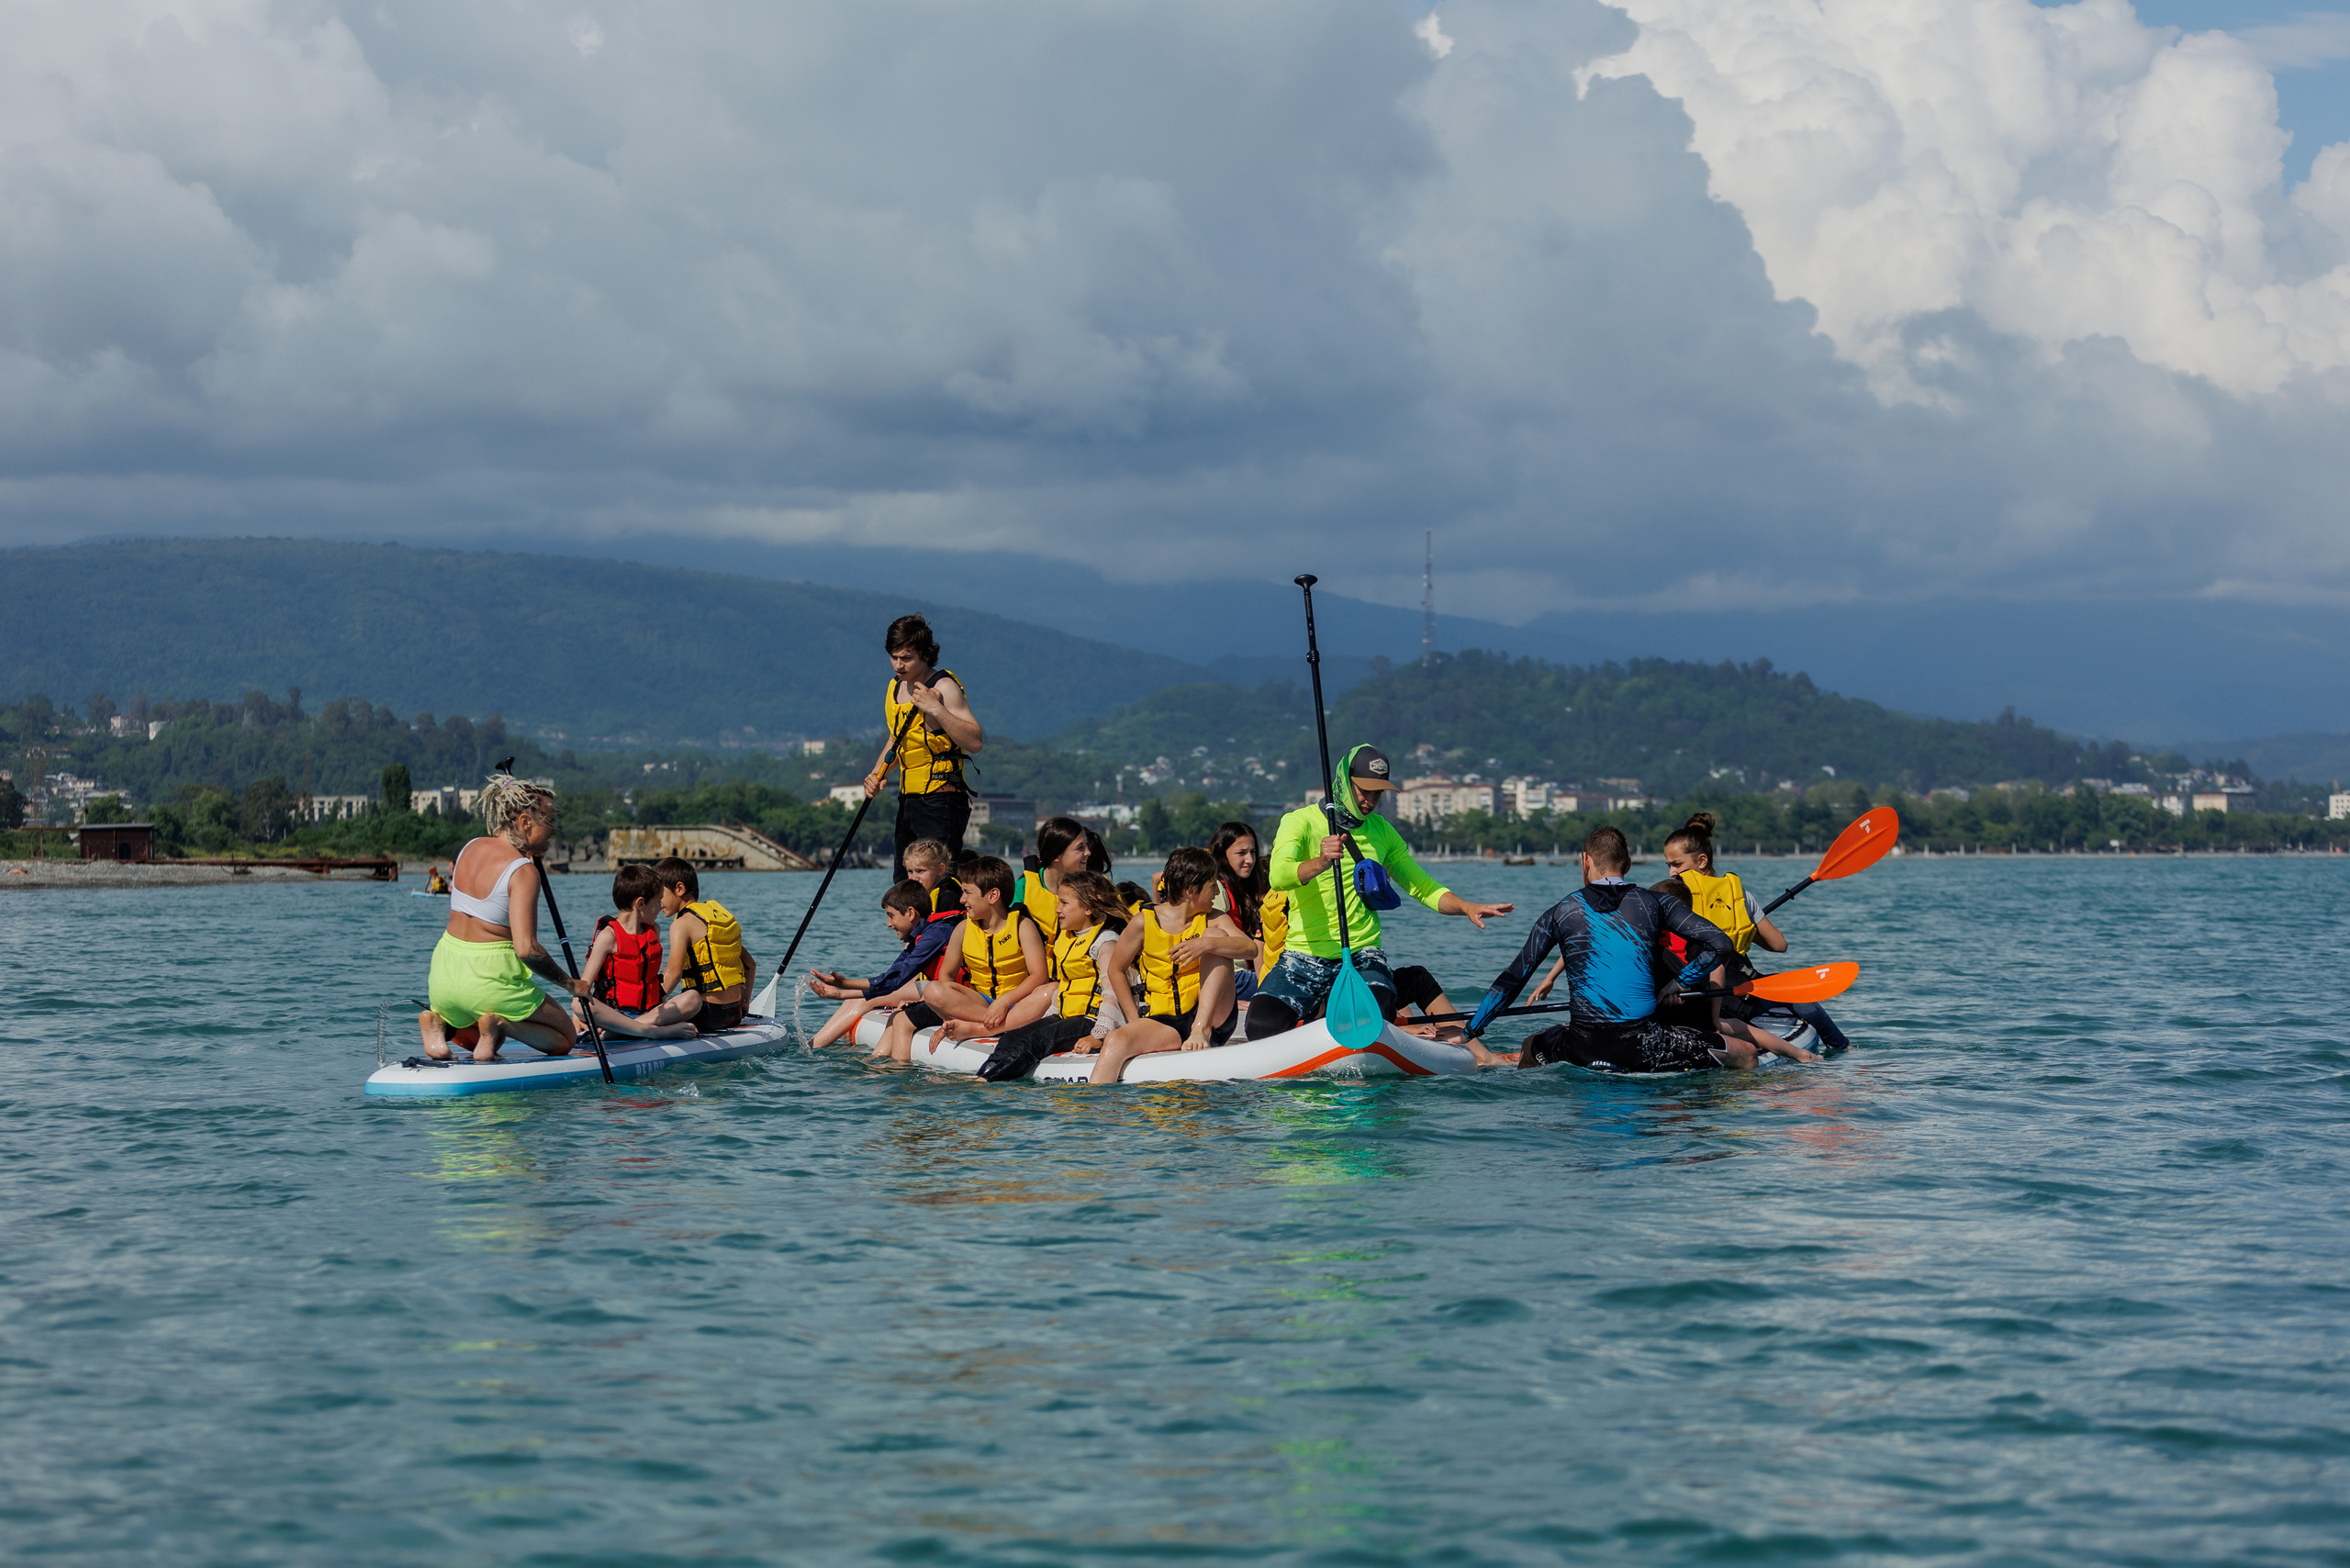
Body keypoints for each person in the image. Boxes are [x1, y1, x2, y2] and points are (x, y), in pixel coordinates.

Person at [1251, 745, 1513, 1038]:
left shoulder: (1384, 832)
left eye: (1378, 792)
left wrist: (1465, 906)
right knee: (1261, 1026)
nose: (1370, 800)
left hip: (1363, 954)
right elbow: (1278, 875)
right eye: (1364, 790)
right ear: (1343, 781)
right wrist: (1320, 862)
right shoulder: (1300, 821)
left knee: (1377, 1010)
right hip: (1304, 956)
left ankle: (1342, 1018)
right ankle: (1322, 1016)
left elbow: (1422, 886)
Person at [1463, 825, 1742, 1072]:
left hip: (1581, 1047)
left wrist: (1470, 1030)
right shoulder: (1656, 902)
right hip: (1644, 1046)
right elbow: (1720, 944)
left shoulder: (1561, 911)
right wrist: (1680, 982)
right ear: (1629, 864)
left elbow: (1513, 979)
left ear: (1585, 861)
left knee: (1530, 1046)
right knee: (1747, 1054)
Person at [420, 775, 585, 1062]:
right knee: (565, 1038)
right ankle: (500, 1024)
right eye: (550, 820)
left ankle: (437, 1024)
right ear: (525, 822)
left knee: (478, 1036)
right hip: (489, 976)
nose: (554, 830)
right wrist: (570, 984)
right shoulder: (523, 871)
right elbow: (527, 950)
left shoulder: (468, 848)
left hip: (444, 974)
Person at [1662, 812, 1852, 1052]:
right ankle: (1843, 1048)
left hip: (1693, 991)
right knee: (1805, 1003)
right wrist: (1745, 928)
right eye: (1669, 865)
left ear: (1701, 861)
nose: (1671, 872)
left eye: (1676, 865)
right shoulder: (1741, 897)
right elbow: (1779, 945)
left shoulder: (1670, 897)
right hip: (1735, 991)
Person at [1080, 847, 1249, 1083]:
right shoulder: (1143, 922)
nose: (1217, 891)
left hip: (1214, 1019)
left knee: (1217, 938)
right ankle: (1097, 1112)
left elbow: (1249, 947)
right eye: (1212, 884)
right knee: (1116, 1040)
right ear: (1191, 890)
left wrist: (1206, 944)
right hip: (1167, 1023)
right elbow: (1116, 969)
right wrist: (1134, 1020)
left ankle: (1201, 1028)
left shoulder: (1215, 918)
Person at [874, 855, 1047, 1061]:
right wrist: (947, 1016)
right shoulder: (963, 928)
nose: (962, 899)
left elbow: (1039, 976)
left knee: (1050, 990)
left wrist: (1004, 1002)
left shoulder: (1022, 925)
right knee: (933, 990)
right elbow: (946, 976)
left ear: (992, 896)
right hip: (979, 1004)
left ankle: (985, 1029)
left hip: (1017, 1004)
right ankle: (992, 1024)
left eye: (967, 893)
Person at [970, 871, 1133, 1080]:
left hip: (1090, 1020)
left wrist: (1098, 1035)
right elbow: (1066, 985)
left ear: (1088, 908)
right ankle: (983, 1073)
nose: (1057, 910)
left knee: (1036, 1041)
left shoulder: (1106, 942)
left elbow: (1113, 993)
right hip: (1066, 1015)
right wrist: (1050, 1017)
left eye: (1064, 903)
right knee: (1012, 1036)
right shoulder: (1066, 938)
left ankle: (988, 1080)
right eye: (1058, 902)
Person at [863, 613, 984, 881]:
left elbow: (975, 740)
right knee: (905, 880)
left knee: (938, 881)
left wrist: (936, 709)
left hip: (942, 799)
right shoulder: (895, 686)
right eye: (894, 656)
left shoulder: (944, 686)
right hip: (909, 798)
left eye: (906, 658)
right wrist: (876, 774)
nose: (898, 664)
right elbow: (897, 738)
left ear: (926, 654)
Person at [806, 879, 963, 1048]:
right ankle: (811, 1047)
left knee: (895, 1015)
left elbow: (894, 981)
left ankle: (812, 1051)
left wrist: (845, 984)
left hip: (957, 997)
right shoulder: (920, 937)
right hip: (935, 989)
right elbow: (891, 975)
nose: (888, 924)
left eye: (891, 916)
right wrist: (841, 993)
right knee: (857, 1001)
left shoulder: (935, 935)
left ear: (910, 913)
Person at [570, 862, 698, 1040]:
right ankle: (652, 1032)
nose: (661, 906)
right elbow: (584, 986)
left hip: (648, 1013)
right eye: (658, 901)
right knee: (578, 1004)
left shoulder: (655, 930)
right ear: (641, 903)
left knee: (693, 998)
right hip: (613, 1015)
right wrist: (577, 1019)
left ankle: (626, 1030)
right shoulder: (608, 937)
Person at [651, 857, 759, 1035]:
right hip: (734, 1015)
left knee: (644, 1016)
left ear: (679, 889)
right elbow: (750, 965)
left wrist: (650, 1005)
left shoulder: (682, 923)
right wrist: (745, 1003)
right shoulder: (713, 918)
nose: (657, 901)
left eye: (659, 893)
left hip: (707, 1014)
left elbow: (673, 974)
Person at [1013, 815, 1108, 943]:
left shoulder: (1096, 887)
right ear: (1055, 855)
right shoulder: (1022, 890)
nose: (1088, 852)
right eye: (1080, 848)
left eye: (1086, 845)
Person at [1205, 821, 1273, 999]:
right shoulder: (1217, 890)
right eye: (1241, 853)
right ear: (1222, 855)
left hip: (1241, 976)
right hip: (1234, 978)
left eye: (1253, 852)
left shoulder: (1240, 888)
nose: (1250, 860)